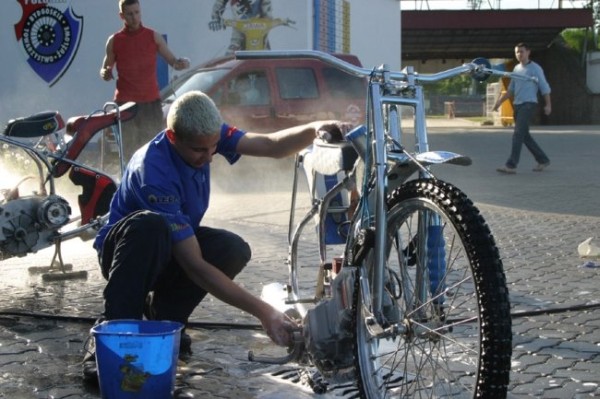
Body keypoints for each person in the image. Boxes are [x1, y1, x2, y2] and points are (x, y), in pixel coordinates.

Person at [82, 90, 351, 381]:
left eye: (213, 148)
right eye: (200, 150)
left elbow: (270, 145)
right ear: (173, 138)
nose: (209, 157)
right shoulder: (154, 171)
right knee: (151, 227)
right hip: (126, 252)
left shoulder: (206, 134)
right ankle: (112, 332)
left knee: (232, 249)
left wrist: (317, 127)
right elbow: (195, 266)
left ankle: (167, 320)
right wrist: (264, 312)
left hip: (167, 246)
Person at [100, 0, 190, 162]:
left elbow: (173, 61)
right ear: (122, 15)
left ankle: (151, 184)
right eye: (130, 14)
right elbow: (105, 69)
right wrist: (106, 72)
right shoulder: (114, 40)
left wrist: (181, 64)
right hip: (125, 104)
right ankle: (130, 184)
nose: (134, 17)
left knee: (152, 149)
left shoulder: (152, 36)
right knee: (129, 151)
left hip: (151, 104)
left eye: (137, 12)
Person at [493, 42, 551, 174]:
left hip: (528, 104)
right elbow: (510, 90)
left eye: (522, 51)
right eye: (517, 52)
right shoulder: (516, 69)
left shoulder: (535, 69)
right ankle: (543, 159)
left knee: (518, 134)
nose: (519, 54)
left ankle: (511, 165)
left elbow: (544, 87)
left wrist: (548, 105)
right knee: (524, 136)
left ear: (528, 52)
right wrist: (499, 103)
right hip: (517, 105)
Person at [208, 0, 273, 55]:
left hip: (258, 29)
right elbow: (220, 2)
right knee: (233, 52)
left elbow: (267, 8)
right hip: (239, 26)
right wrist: (216, 18)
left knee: (264, 53)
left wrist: (269, 22)